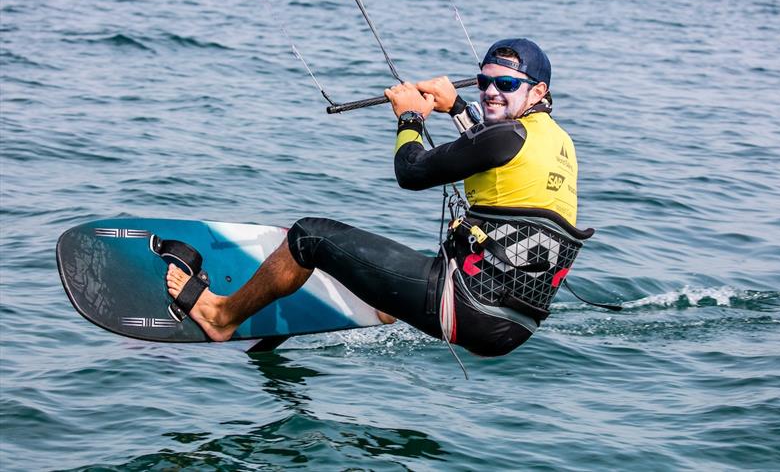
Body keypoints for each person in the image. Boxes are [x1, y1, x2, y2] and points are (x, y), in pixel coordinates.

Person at [165, 38, 591, 357]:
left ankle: (219, 317)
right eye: (484, 81)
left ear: (537, 92)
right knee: (444, 253)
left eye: (506, 84)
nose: (491, 91)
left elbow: (411, 172)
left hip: (469, 309)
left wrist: (409, 117)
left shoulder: (507, 135)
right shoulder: (555, 141)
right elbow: (489, 146)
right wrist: (457, 105)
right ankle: (386, 305)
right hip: (515, 324)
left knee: (309, 236)